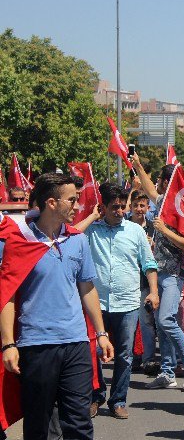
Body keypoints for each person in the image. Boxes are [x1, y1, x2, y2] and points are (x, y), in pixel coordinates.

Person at [0, 173, 114, 439]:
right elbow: (7, 296)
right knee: (38, 425)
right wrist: (8, 344)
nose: (77, 206)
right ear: (52, 202)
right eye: (72, 200)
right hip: (36, 345)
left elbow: (87, 287)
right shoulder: (18, 241)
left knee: (79, 423)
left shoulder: (77, 240)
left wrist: (101, 333)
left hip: (76, 344)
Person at [85, 184, 159, 419]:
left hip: (127, 303)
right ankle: (95, 396)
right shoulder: (91, 231)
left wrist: (154, 291)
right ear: (103, 206)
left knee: (124, 355)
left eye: (122, 206)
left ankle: (118, 400)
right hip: (97, 303)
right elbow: (70, 234)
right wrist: (91, 217)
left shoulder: (135, 232)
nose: (119, 211)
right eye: (113, 206)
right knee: (94, 351)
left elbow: (149, 264)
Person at [132, 154, 184, 391]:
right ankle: (167, 372)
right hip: (155, 274)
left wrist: (163, 230)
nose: (156, 183)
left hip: (173, 275)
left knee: (166, 319)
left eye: (160, 179)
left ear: (167, 182)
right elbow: (150, 191)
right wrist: (138, 165)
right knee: (161, 325)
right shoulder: (161, 203)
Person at [128, 190, 160, 373]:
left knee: (146, 321)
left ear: (148, 208)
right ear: (130, 207)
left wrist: (153, 246)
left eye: (142, 206)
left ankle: (148, 359)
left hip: (146, 281)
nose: (139, 209)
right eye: (136, 206)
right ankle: (131, 356)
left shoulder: (153, 229)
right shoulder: (124, 226)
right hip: (129, 280)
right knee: (129, 322)